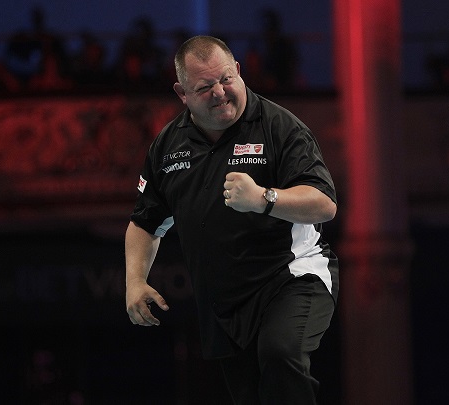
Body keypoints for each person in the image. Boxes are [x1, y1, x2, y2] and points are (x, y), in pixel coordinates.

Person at [125, 35, 338, 404]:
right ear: (182, 93)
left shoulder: (280, 127)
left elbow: (324, 204)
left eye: (226, 79)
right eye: (205, 87)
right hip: (224, 300)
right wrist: (134, 281)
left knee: (280, 354)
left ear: (238, 71)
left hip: (292, 277)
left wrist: (263, 198)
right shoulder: (168, 146)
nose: (220, 93)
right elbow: (145, 223)